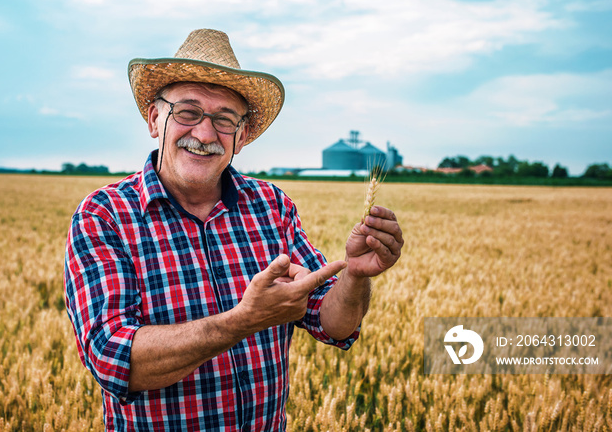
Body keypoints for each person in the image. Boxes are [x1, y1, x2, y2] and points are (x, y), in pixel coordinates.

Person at [64, 29, 403, 431]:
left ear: (241, 137)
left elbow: (333, 323)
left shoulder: (272, 207)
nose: (205, 134)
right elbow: (112, 359)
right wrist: (242, 320)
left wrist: (355, 276)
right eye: (187, 113)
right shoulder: (104, 216)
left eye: (224, 120)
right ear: (155, 119)